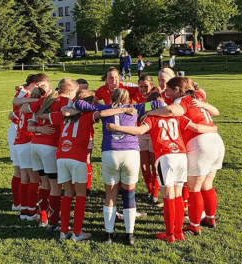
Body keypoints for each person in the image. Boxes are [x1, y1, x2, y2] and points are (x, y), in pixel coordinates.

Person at [105, 93, 218, 243]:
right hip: (181, 156)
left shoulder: (151, 117)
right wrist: (213, 129)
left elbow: (139, 131)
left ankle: (170, 234)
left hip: (166, 157)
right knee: (178, 195)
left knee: (167, 196)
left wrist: (116, 127)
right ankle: (179, 232)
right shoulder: (178, 116)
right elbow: (195, 127)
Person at [70, 88, 165, 245]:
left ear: (111, 98)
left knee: (110, 196)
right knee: (129, 195)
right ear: (128, 99)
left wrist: (99, 102)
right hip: (131, 153)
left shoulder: (102, 108)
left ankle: (109, 234)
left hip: (111, 152)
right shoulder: (137, 108)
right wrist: (134, 108)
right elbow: (158, 103)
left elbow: (79, 104)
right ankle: (130, 235)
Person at [42, 90, 136, 242]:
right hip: (78, 157)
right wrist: (124, 109)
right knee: (80, 195)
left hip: (62, 156)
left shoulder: (64, 113)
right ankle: (77, 232)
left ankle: (63, 231)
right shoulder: (87, 114)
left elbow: (45, 115)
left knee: (67, 194)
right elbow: (103, 114)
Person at [148, 77, 225, 235]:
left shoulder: (180, 101)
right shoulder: (197, 96)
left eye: (168, 90)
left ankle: (194, 225)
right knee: (207, 184)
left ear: (177, 90)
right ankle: (210, 218)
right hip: (216, 141)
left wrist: (150, 113)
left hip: (199, 143)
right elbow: (212, 108)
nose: (165, 92)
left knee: (194, 188)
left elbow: (170, 111)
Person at [20, 78, 78, 230]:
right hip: (50, 147)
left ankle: (43, 219)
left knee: (44, 183)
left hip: (36, 146)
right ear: (71, 91)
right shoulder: (66, 101)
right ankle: (52, 222)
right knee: (55, 186)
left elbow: (26, 113)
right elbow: (65, 117)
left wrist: (41, 119)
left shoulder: (47, 99)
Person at [9, 86, 53, 220]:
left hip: (18, 144)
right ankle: (32, 212)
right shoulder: (34, 107)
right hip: (27, 142)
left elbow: (12, 115)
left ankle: (24, 211)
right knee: (34, 179)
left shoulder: (23, 106)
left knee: (24, 178)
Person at [132, 76, 160, 204]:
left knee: (155, 165)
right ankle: (150, 191)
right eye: (141, 86)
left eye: (146, 86)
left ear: (152, 85)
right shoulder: (134, 94)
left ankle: (154, 194)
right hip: (141, 134)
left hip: (155, 134)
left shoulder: (157, 96)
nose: (143, 89)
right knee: (144, 166)